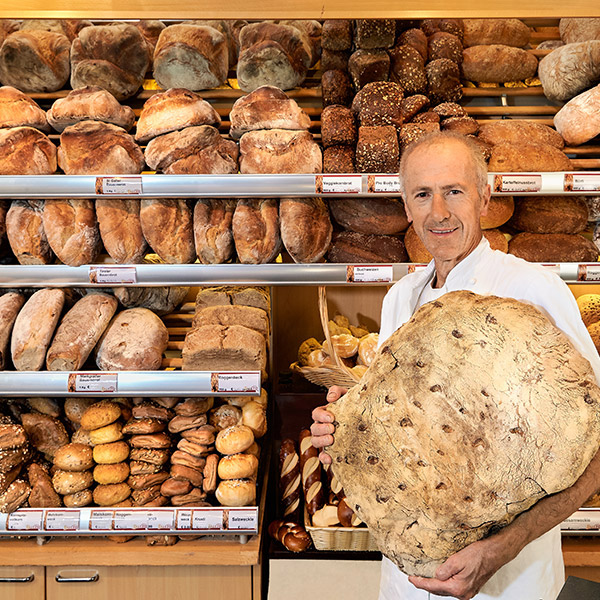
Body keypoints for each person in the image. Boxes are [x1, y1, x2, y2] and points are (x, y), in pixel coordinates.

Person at [311, 132, 600, 600]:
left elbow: (599, 443)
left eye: (454, 191)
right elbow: (404, 428)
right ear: (406, 206)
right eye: (422, 194)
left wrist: (502, 548)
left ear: (484, 197)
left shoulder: (531, 290)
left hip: (511, 583)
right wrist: (345, 428)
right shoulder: (399, 299)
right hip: (406, 582)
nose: (438, 212)